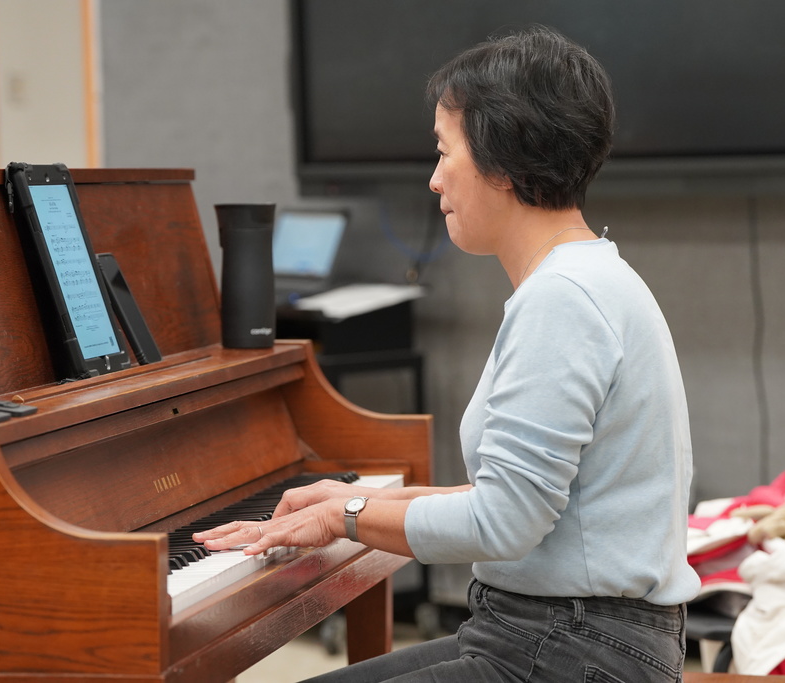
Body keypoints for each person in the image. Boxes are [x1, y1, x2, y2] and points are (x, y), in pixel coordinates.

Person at [194, 25, 700, 682]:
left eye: (443, 151)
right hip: (550, 635)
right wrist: (348, 501)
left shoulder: (564, 299)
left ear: (503, 159)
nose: (435, 181)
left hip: (573, 650)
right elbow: (519, 499)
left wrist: (345, 516)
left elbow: (503, 522)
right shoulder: (586, 278)